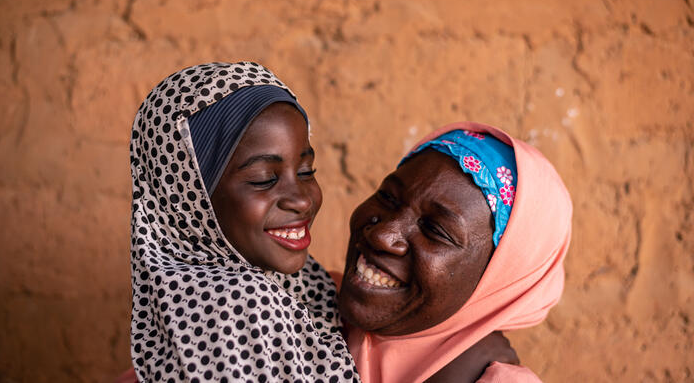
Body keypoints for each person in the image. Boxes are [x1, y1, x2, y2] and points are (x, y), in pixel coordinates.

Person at [126, 62, 358, 381]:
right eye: (263, 179)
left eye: (306, 172)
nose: (302, 199)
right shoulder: (239, 302)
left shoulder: (290, 282)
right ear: (189, 196)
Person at [337, 122, 572, 382]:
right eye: (388, 198)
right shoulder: (305, 299)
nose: (382, 236)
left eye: (435, 230)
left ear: (495, 283)